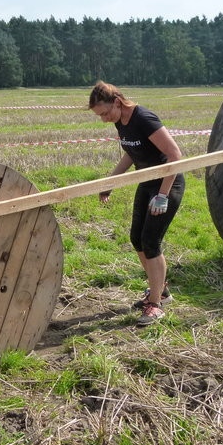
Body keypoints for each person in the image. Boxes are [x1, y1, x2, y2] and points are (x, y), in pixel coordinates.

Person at [88, 81, 185, 325]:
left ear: (117, 102)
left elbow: (174, 155)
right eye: (99, 116)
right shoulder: (121, 121)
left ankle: (156, 304)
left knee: (151, 242)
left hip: (166, 183)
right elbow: (132, 153)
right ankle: (160, 290)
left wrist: (162, 195)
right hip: (146, 181)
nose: (104, 120)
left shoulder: (144, 118)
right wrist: (110, 182)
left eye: (105, 113)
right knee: (136, 239)